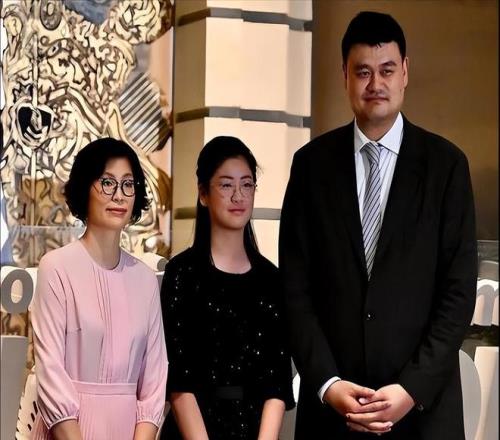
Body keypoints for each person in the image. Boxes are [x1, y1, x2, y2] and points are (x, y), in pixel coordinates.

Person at [279, 11, 477, 440]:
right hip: (333, 416)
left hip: (422, 414)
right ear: (345, 76)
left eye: (387, 70)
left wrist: (410, 389)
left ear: (405, 71)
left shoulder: (446, 167)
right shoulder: (311, 166)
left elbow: (458, 292)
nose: (376, 84)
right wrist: (328, 384)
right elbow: (295, 289)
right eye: (363, 72)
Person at [31, 138, 168, 440]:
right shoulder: (56, 268)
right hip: (68, 431)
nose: (118, 195)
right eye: (107, 183)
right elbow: (50, 371)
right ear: (85, 187)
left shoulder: (145, 279)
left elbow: (155, 381)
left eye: (128, 184)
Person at [160, 136, 294, 440]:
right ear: (203, 193)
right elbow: (180, 382)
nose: (238, 196)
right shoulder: (182, 273)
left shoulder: (272, 279)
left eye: (247, 185)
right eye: (226, 185)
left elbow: (277, 382)